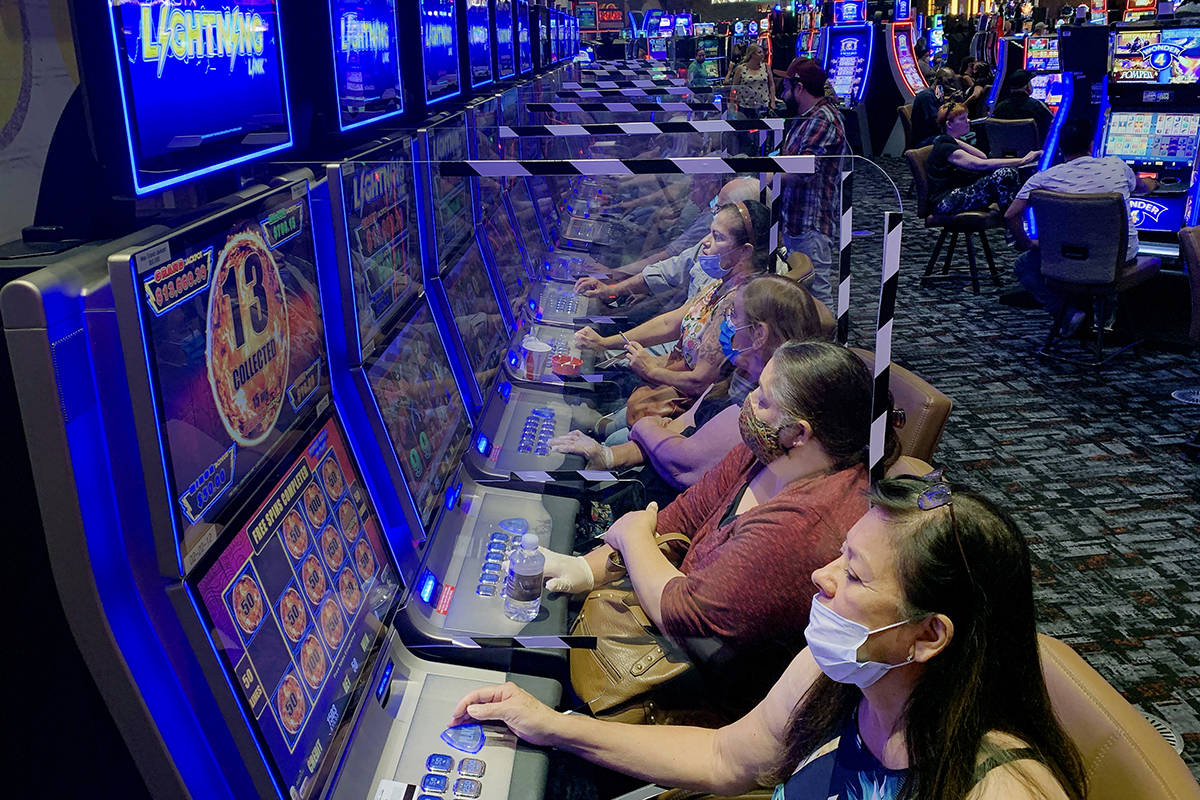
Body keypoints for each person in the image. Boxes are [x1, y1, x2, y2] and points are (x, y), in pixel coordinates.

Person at [450, 475, 1088, 800]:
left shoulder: (1000, 787)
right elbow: (731, 759)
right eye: (841, 554)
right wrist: (553, 725)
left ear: (928, 637)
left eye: (855, 574)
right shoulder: (835, 669)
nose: (821, 576)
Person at [536, 341, 889, 716]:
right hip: (667, 634)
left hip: (701, 692)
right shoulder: (767, 453)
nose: (748, 399)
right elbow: (686, 514)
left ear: (798, 433)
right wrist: (584, 569)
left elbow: (685, 615)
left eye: (763, 398)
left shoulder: (803, 525)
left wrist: (632, 535)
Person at [548, 276, 825, 490]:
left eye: (733, 316)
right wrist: (606, 456)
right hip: (664, 468)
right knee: (608, 446)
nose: (724, 325)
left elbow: (683, 463)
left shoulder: (760, 406)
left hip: (672, 493)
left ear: (759, 335)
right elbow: (679, 426)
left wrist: (645, 426)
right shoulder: (736, 371)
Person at [574, 201, 774, 442]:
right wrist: (606, 342)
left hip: (691, 411)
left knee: (611, 443)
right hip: (671, 388)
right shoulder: (724, 281)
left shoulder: (738, 302)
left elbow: (699, 382)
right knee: (607, 426)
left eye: (718, 237)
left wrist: (652, 370)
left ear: (745, 252)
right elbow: (671, 322)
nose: (705, 243)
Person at [1005, 117, 1156, 336]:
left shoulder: (1043, 179)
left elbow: (1011, 215)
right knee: (1109, 249)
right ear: (1092, 144)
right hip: (1116, 258)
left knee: (1023, 266)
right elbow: (1143, 187)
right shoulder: (1116, 166)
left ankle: (1067, 314)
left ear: (1060, 147)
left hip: (1066, 256)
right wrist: (1156, 182)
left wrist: (1027, 243)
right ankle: (1103, 314)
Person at [572, 178, 762, 310]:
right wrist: (612, 289)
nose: (712, 211)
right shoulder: (711, 239)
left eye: (720, 207)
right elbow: (666, 270)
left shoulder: (745, 293)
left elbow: (675, 320)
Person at [778, 58, 848, 309]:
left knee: (817, 293)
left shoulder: (822, 119)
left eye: (786, 86)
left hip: (811, 221)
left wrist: (762, 175)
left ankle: (828, 347)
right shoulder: (808, 117)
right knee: (801, 292)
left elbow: (802, 169)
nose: (783, 92)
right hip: (798, 218)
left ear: (800, 87)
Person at [927, 102, 1040, 215]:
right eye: (962, 119)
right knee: (1005, 173)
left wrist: (955, 140)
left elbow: (982, 156)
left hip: (958, 192)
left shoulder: (950, 141)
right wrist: (1022, 161)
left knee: (1008, 173)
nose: (968, 121)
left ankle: (1013, 218)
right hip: (945, 201)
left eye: (967, 117)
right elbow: (980, 164)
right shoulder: (945, 147)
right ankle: (1012, 220)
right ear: (949, 124)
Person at [992, 69, 1053, 142]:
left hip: (1005, 151)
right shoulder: (1038, 106)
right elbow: (1053, 125)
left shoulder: (999, 108)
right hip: (1036, 151)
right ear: (1027, 87)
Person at [911, 68, 959, 147]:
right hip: (925, 139)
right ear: (939, 79)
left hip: (934, 134)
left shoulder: (937, 94)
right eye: (949, 81)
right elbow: (936, 122)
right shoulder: (926, 96)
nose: (952, 85)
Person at [728, 44, 777, 117]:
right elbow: (734, 88)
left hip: (763, 104)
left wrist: (773, 101)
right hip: (745, 105)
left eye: (762, 52)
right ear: (752, 54)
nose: (762, 55)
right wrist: (732, 104)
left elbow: (771, 85)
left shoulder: (766, 67)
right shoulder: (741, 68)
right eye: (759, 52)